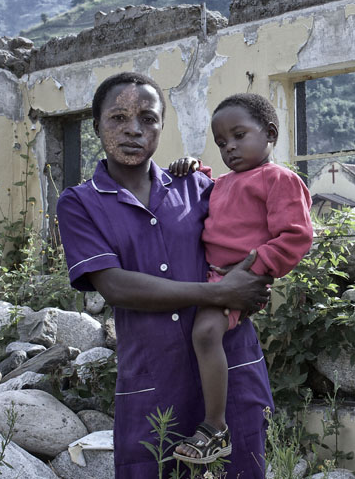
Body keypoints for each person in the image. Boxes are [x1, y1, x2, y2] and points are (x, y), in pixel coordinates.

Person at [57, 72, 275, 479]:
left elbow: (255, 231)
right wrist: (220, 292)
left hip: (231, 370)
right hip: (154, 382)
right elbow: (115, 286)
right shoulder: (80, 203)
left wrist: (257, 276)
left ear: (161, 125)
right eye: (118, 118)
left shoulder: (197, 186)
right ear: (97, 125)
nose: (133, 129)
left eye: (148, 118)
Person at [168, 93, 313, 466]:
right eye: (221, 142)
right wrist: (192, 168)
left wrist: (252, 269)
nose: (229, 147)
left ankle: (215, 427)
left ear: (270, 134)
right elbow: (210, 195)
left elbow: (296, 236)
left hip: (238, 279)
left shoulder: (279, 179)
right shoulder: (226, 181)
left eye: (238, 135)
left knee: (205, 333)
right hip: (209, 276)